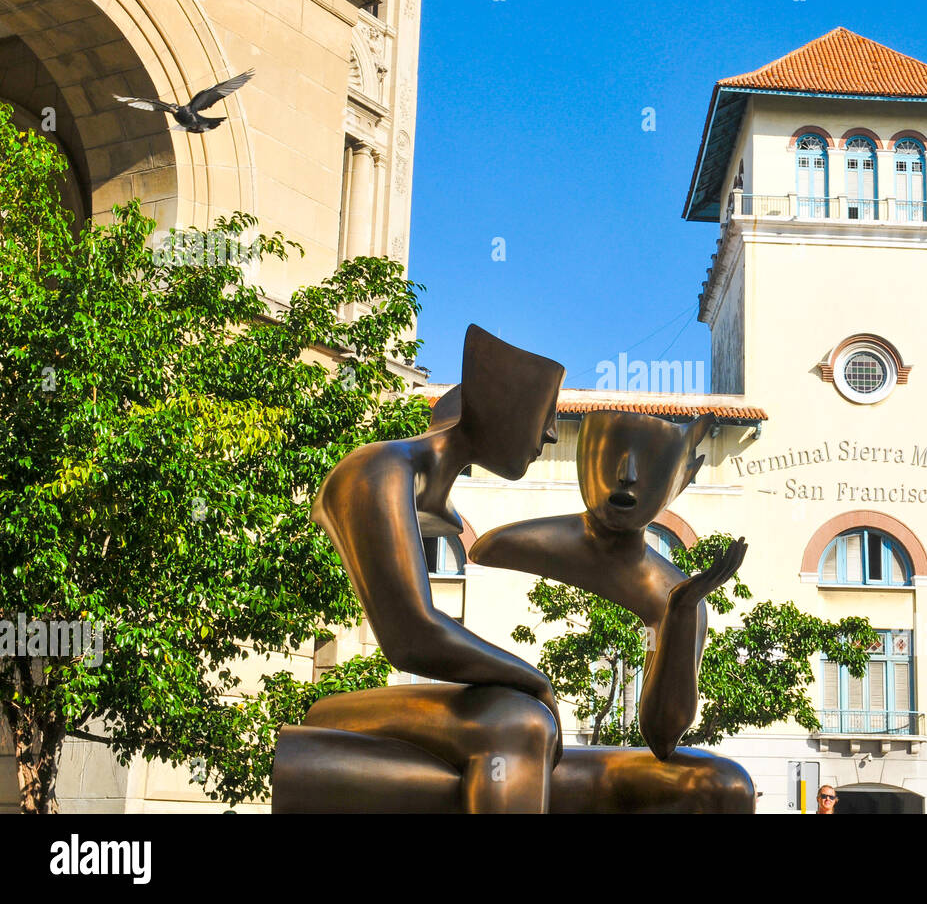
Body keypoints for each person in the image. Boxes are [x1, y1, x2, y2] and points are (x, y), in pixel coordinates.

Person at [272, 324, 567, 814]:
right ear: (494, 404)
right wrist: (534, 679)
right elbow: (410, 634)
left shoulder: (424, 496)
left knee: (522, 718)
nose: (552, 433)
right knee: (519, 721)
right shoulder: (380, 468)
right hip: (334, 717)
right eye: (544, 411)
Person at [469, 410, 746, 760]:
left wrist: (681, 609)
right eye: (609, 457)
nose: (626, 475)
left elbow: (663, 739)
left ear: (683, 480)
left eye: (650, 465)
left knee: (720, 779)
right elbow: (481, 552)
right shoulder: (515, 544)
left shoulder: (675, 592)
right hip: (512, 742)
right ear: (582, 462)